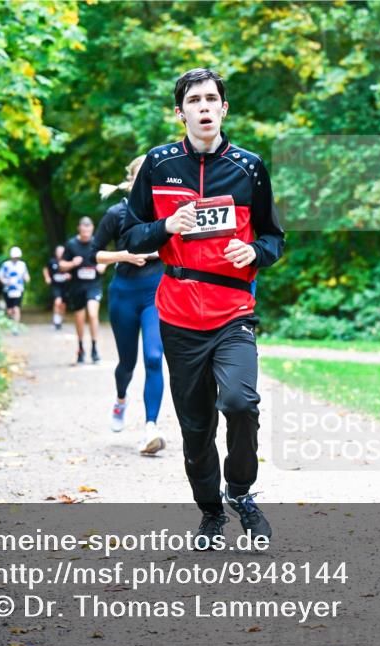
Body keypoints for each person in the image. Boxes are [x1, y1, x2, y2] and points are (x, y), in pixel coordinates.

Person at [121, 68, 284, 544]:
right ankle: (211, 511)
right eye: (195, 100)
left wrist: (255, 252)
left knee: (240, 402)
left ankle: (240, 492)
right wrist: (167, 226)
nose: (205, 107)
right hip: (177, 313)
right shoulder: (157, 164)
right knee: (195, 428)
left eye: (213, 99)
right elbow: (131, 235)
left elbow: (274, 237)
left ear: (224, 108)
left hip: (233, 308)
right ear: (181, 112)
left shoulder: (250, 167)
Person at [95, 157, 167, 453]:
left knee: (154, 356)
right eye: (142, 175)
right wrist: (124, 256)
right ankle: (121, 399)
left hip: (155, 291)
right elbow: (95, 254)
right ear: (132, 179)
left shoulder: (166, 212)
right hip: (123, 292)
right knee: (127, 363)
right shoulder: (117, 212)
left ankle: (151, 428)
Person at [59, 218, 106, 364]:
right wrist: (72, 263)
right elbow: (61, 265)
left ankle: (94, 348)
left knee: (92, 314)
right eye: (83, 229)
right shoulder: (71, 244)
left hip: (94, 285)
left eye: (88, 229)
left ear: (92, 229)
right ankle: (80, 348)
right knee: (79, 318)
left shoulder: (97, 242)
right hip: (77, 286)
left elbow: (105, 259)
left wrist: (102, 266)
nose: (86, 232)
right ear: (79, 228)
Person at [0, 246, 30, 326]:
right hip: (8, 290)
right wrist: (5, 282)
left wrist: (27, 279)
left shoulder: (22, 265)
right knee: (10, 309)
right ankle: (11, 320)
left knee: (16, 308)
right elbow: (0, 275)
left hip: (19, 289)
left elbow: (26, 275)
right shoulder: (6, 265)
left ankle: (16, 326)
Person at [42, 245, 70, 331]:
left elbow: (73, 271)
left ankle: (60, 319)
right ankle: (56, 321)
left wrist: (69, 275)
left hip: (65, 286)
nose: (60, 253)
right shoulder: (52, 261)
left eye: (62, 252)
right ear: (55, 253)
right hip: (55, 285)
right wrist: (47, 278)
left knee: (63, 305)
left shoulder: (67, 262)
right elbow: (45, 269)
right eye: (58, 252)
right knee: (57, 301)